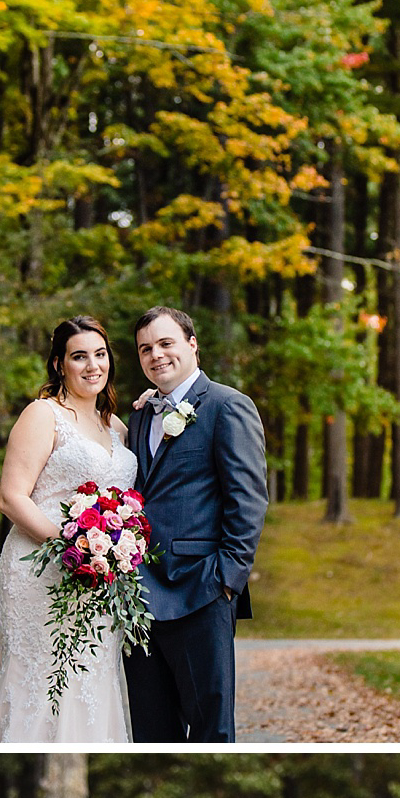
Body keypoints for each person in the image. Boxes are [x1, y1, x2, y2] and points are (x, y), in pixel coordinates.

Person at [0, 312, 144, 745]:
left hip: (101, 578)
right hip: (41, 568)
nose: (93, 365)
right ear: (59, 364)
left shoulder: (117, 427)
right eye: (79, 357)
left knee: (91, 678)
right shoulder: (43, 414)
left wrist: (108, 554)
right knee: (40, 677)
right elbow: (12, 497)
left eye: (100, 354)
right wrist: (72, 546)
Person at [129, 302, 269, 744]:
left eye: (166, 343)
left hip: (200, 589)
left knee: (211, 729)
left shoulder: (228, 406)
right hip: (138, 597)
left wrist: (227, 579)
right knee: (152, 731)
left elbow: (248, 500)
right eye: (145, 348)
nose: (156, 355)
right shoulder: (140, 415)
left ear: (192, 345)